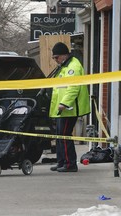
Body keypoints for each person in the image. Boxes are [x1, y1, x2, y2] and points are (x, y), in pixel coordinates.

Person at [49, 42, 90, 172]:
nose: (55, 60)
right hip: (61, 109)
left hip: (68, 109)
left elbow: (73, 88)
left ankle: (70, 164)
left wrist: (64, 104)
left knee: (65, 135)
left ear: (64, 55)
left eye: (56, 57)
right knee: (59, 136)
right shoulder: (63, 66)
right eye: (53, 58)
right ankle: (61, 161)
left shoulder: (73, 66)